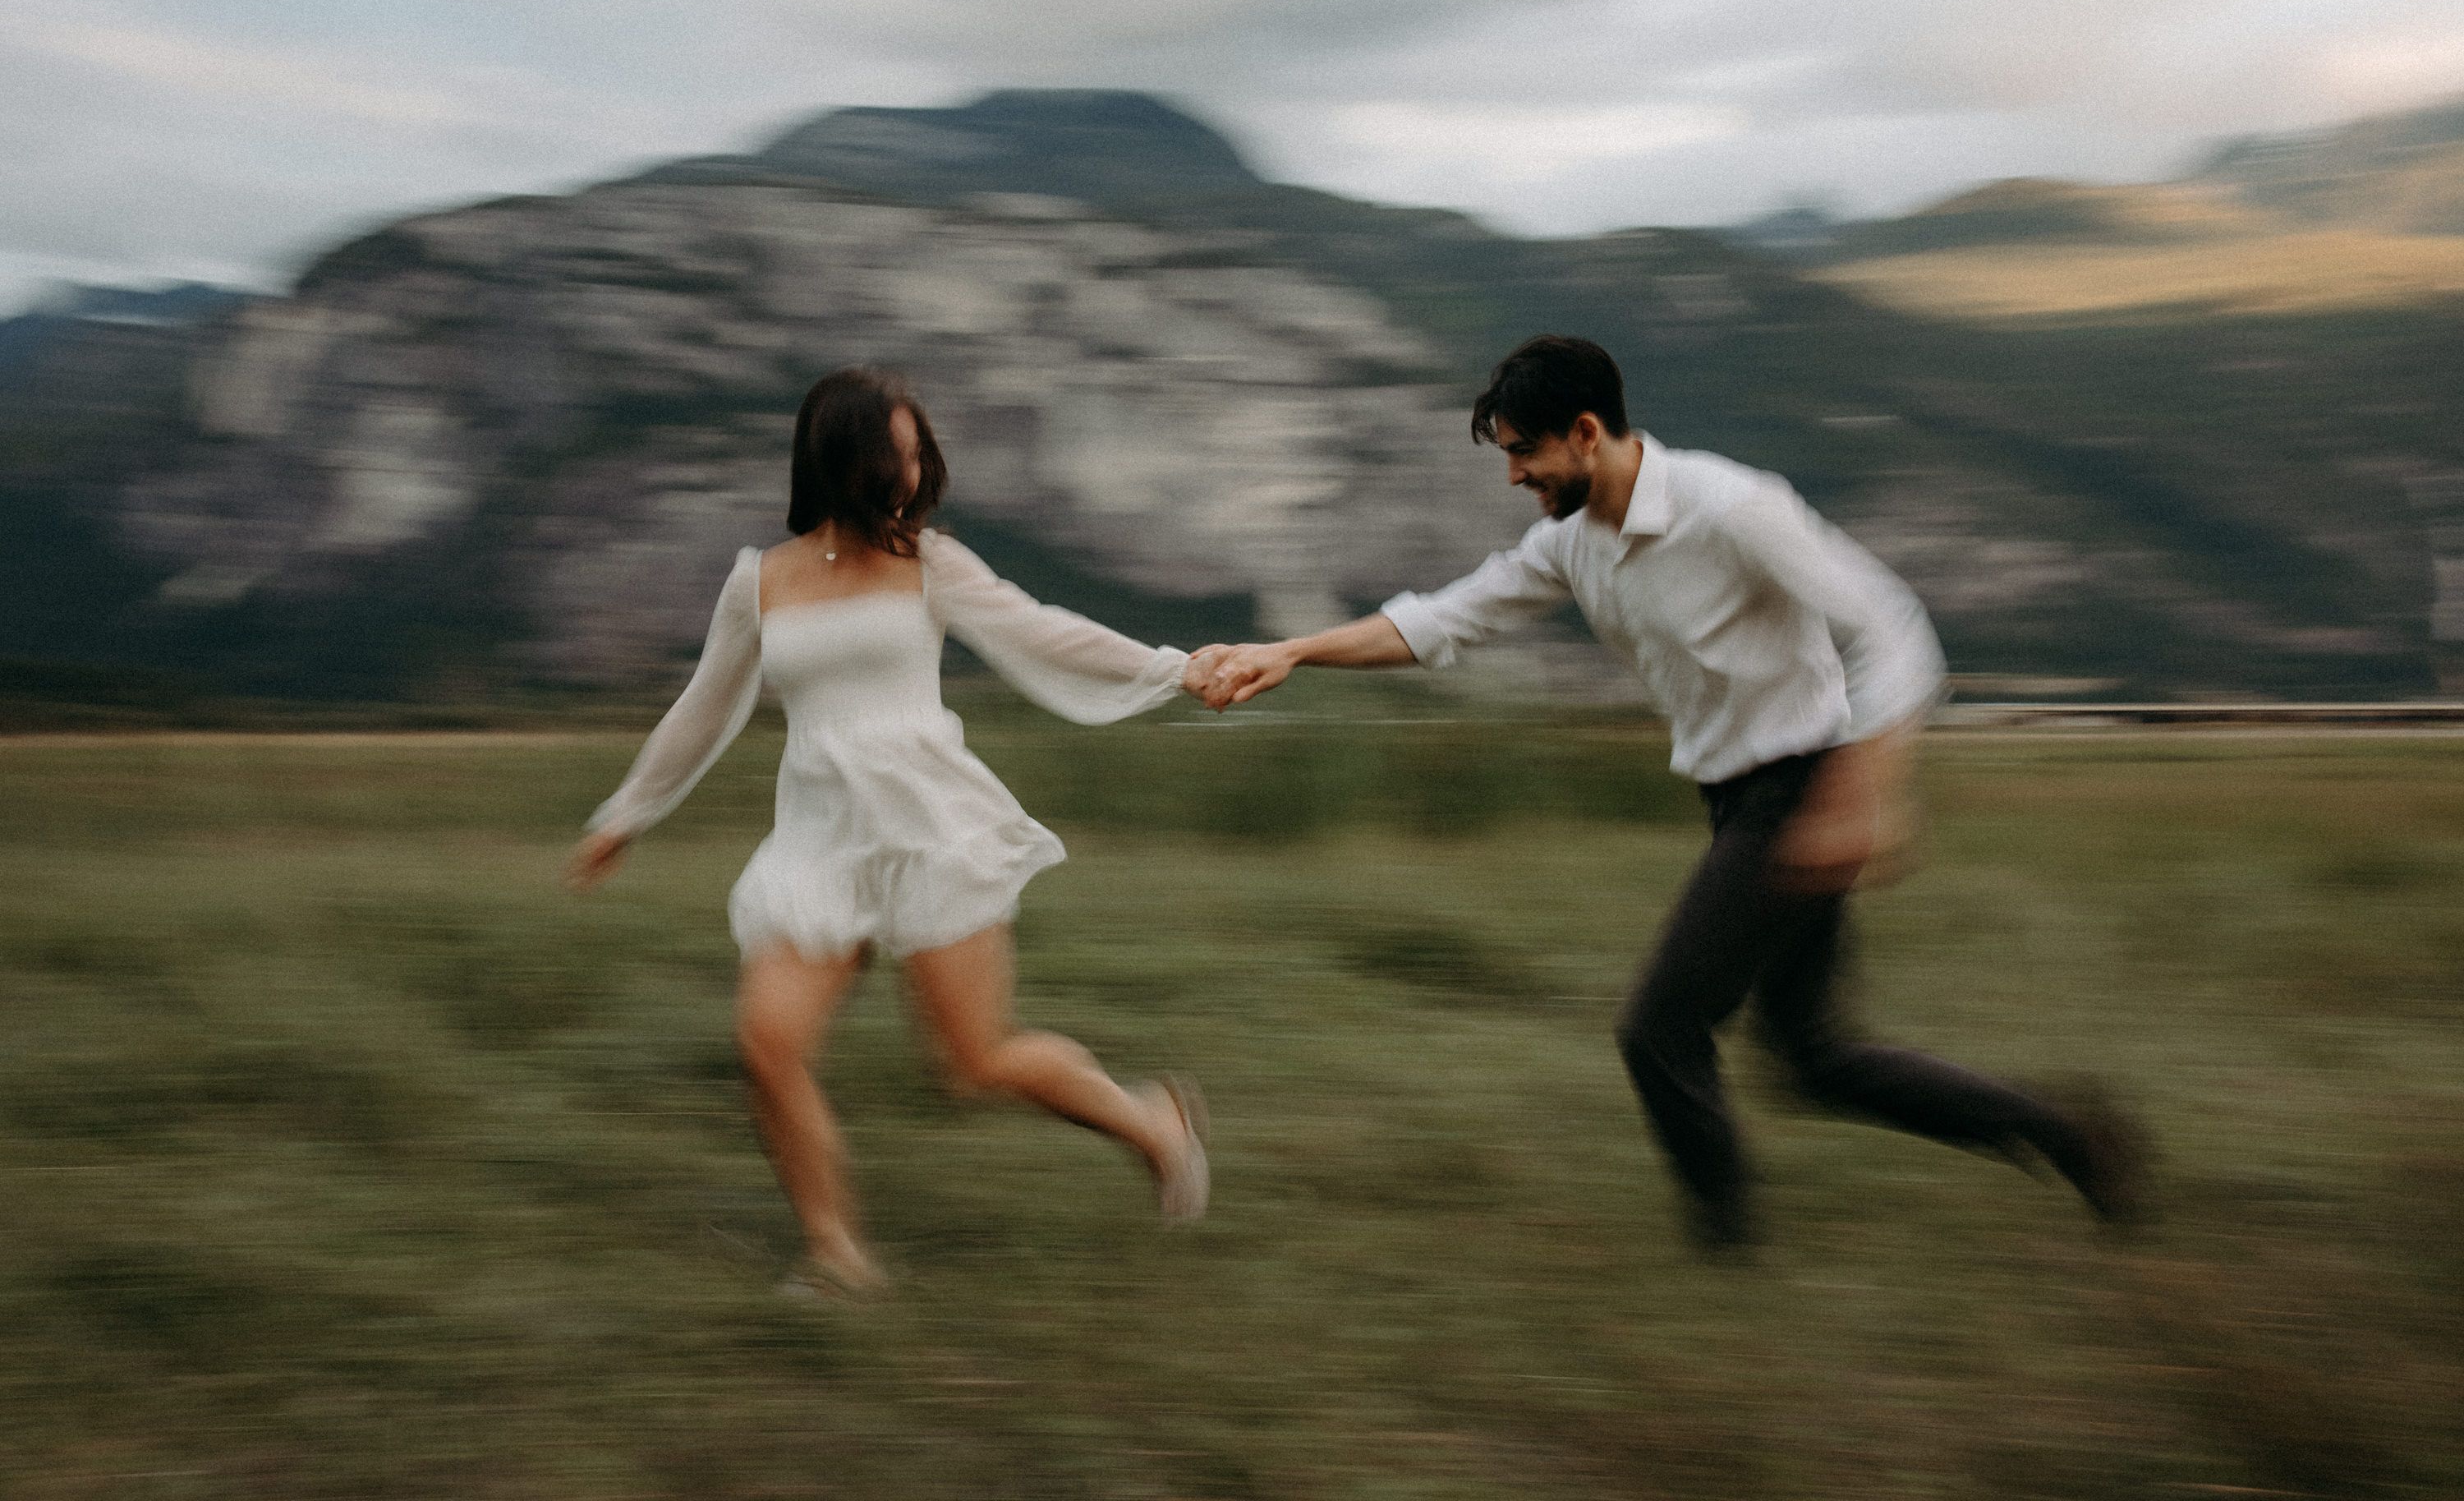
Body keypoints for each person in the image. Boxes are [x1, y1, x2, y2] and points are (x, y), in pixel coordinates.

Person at [1197, 334, 2146, 1251]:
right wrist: (1290, 651)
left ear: (1584, 431)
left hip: (1801, 786)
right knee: (1813, 1055)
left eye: (1523, 451)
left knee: (1659, 1029)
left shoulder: (1731, 505)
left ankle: (1727, 1248)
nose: (1514, 475)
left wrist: (1866, 789)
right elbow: (1446, 618)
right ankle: (2072, 1136)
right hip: (1740, 800)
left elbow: (1893, 626)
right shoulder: (1574, 542)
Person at [568, 366, 1213, 1296]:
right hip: (820, 840)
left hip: (929, 829)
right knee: (768, 1046)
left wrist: (1176, 670)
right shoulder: (759, 582)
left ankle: (1155, 1125)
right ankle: (837, 1257)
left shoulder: (931, 561)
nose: (912, 474)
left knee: (974, 1061)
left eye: (919, 455)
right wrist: (624, 814)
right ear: (842, 459)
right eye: (895, 456)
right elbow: (701, 710)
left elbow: (1046, 634)